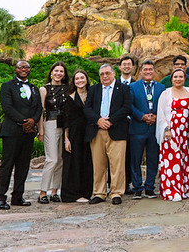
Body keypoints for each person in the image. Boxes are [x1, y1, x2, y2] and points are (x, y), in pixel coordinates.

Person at [0, 60, 42, 210]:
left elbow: (39, 108)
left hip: (28, 133)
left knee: (23, 165)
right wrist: (24, 122)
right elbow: (7, 107)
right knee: (7, 165)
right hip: (12, 131)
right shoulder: (7, 86)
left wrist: (33, 121)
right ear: (15, 70)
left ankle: (18, 196)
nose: (24, 69)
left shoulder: (34, 88)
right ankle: (0, 198)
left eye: (26, 67)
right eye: (21, 67)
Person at [84, 64, 131, 205]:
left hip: (116, 130)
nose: (105, 76)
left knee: (117, 164)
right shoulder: (93, 89)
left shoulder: (123, 88)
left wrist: (110, 121)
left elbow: (126, 107)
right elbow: (87, 108)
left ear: (113, 73)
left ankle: (116, 193)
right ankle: (99, 192)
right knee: (98, 164)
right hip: (96, 130)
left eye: (107, 73)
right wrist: (98, 120)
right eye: (102, 74)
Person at [156, 68, 189, 201]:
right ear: (171, 79)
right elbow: (161, 113)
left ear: (185, 78)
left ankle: (187, 188)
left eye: (181, 77)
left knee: (187, 160)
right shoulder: (166, 94)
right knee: (172, 161)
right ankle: (173, 190)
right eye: (175, 77)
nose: (178, 79)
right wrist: (166, 129)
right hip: (172, 135)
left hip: (186, 134)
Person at [129, 59, 164, 199]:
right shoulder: (132, 87)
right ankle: (137, 187)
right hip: (138, 127)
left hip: (154, 129)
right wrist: (142, 116)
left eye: (150, 69)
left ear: (154, 72)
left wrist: (156, 116)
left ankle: (150, 187)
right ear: (140, 72)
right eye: (145, 69)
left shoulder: (161, 88)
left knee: (152, 159)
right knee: (136, 159)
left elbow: (164, 105)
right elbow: (129, 106)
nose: (148, 72)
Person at [37, 61, 69, 204]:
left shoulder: (67, 89)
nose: (58, 74)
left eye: (61, 71)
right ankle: (43, 192)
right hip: (50, 123)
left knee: (61, 160)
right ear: (51, 72)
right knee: (52, 159)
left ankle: (55, 191)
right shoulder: (44, 89)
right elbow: (40, 111)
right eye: (56, 71)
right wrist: (41, 130)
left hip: (64, 125)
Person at [61, 69, 93, 203]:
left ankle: (87, 192)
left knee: (88, 163)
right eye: (77, 79)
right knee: (74, 163)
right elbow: (65, 120)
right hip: (74, 135)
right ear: (74, 81)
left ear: (86, 79)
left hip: (90, 133)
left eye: (82, 78)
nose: (80, 80)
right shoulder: (70, 97)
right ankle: (72, 194)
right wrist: (66, 139)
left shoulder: (92, 94)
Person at [118, 54, 137, 194]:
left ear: (133, 67)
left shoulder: (137, 84)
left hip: (134, 124)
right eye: (124, 64)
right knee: (118, 156)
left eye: (129, 64)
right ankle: (117, 183)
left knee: (131, 154)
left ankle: (128, 183)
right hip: (118, 124)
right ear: (119, 67)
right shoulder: (114, 84)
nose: (126, 66)